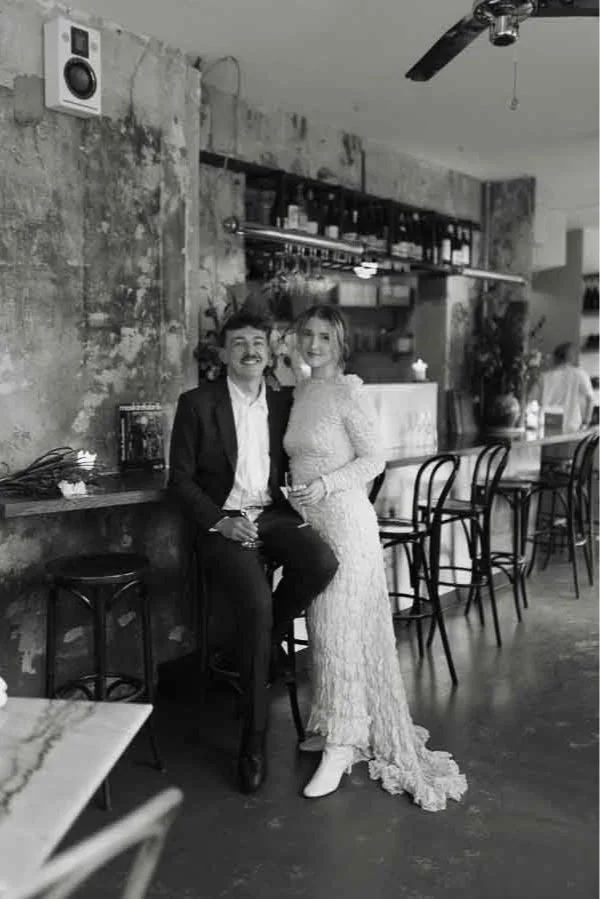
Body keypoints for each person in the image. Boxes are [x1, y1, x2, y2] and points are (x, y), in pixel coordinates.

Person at [283, 303, 467, 809]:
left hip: (345, 523)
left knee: (338, 626)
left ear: (341, 345)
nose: (314, 343)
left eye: (325, 336)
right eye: (308, 334)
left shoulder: (347, 391)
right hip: (312, 523)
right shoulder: (303, 389)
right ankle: (335, 722)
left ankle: (343, 746)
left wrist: (324, 484)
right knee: (323, 628)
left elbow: (374, 458)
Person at [168, 308, 338, 795]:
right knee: (259, 604)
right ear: (224, 353)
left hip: (273, 513)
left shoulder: (286, 403)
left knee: (322, 562)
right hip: (223, 523)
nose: (250, 350)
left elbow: (311, 449)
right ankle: (253, 744)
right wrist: (221, 522)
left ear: (270, 352)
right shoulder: (197, 403)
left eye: (258, 343)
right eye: (239, 342)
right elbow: (178, 480)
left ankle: (261, 644)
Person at [542, 342, 595, 432]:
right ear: (571, 357)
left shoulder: (545, 377)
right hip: (572, 424)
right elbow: (590, 399)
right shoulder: (579, 374)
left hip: (549, 422)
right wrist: (586, 422)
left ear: (555, 357)